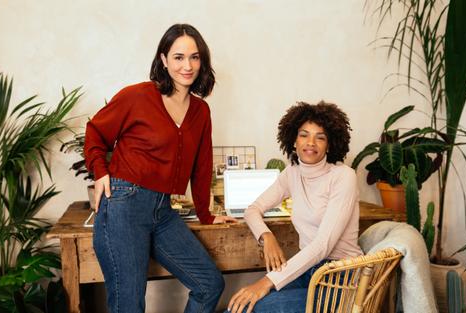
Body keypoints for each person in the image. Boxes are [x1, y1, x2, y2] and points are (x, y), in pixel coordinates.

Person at [84, 23, 236, 313]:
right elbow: (95, 132)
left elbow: (202, 167)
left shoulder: (201, 111)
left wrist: (206, 214)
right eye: (178, 57)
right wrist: (100, 171)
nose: (187, 65)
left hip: (163, 211)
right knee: (129, 305)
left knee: (209, 284)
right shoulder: (137, 96)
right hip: (123, 207)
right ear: (164, 60)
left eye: (195, 57)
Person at [226, 101, 363, 313]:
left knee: (253, 308)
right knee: (240, 306)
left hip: (340, 277)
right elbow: (252, 210)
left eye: (320, 137)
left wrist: (266, 281)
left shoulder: (343, 176)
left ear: (330, 144)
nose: (311, 143)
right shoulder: (292, 173)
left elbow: (323, 245)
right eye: (304, 134)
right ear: (293, 140)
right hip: (307, 270)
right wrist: (267, 237)